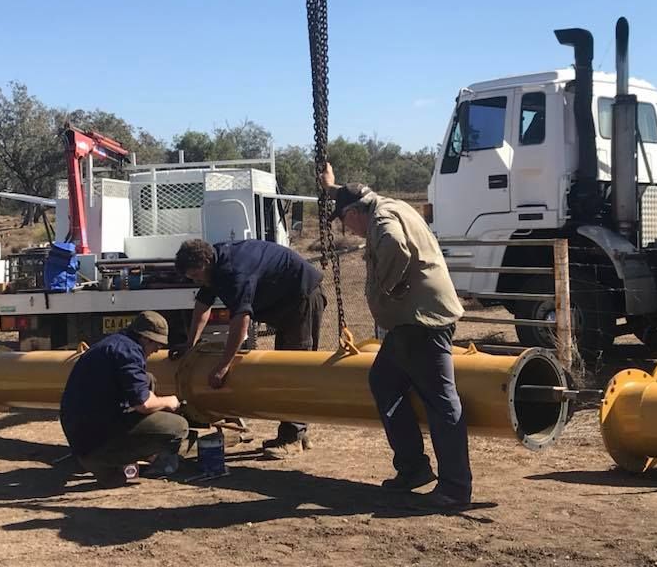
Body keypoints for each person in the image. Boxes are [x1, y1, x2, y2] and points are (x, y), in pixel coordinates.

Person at [321, 164, 472, 508]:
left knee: (440, 401)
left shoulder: (381, 220)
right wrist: (331, 187)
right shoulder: (386, 204)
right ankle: (414, 468)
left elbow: (394, 244)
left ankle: (455, 487)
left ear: (355, 213)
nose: (348, 229)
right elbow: (355, 192)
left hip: (422, 322)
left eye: (345, 220)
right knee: (384, 381)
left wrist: (384, 289)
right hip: (413, 323)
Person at [175, 238, 326, 459]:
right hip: (286, 304)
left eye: (196, 275)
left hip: (302, 297)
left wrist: (223, 366)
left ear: (206, 262)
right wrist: (190, 345)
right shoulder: (214, 265)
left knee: (295, 369)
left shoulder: (235, 272)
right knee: (285, 365)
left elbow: (241, 320)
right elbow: (202, 306)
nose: (195, 280)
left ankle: (292, 438)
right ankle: (297, 433)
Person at [60, 311, 189, 487]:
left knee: (147, 378)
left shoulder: (114, 344)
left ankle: (103, 460)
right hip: (94, 440)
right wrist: (170, 401)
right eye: (157, 344)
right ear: (145, 339)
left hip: (81, 431)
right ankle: (106, 461)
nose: (158, 350)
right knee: (178, 426)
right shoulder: (130, 353)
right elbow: (143, 404)